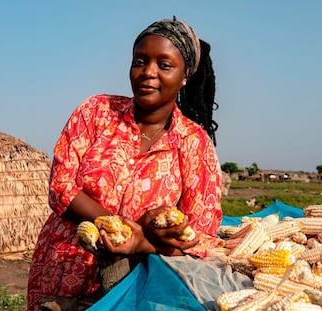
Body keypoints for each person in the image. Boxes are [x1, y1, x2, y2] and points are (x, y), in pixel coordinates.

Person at [27, 17, 224, 311]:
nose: (148, 72)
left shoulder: (194, 143)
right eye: (140, 61)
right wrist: (118, 227)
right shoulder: (96, 112)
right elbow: (60, 187)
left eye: (164, 65)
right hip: (64, 270)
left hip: (136, 286)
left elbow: (201, 234)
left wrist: (140, 242)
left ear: (185, 76)